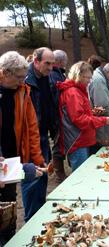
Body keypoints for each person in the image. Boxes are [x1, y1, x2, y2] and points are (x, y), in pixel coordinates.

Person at [0, 51, 46, 243]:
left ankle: (8, 238)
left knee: (9, 208)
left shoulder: (23, 91)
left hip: (11, 162)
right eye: (18, 77)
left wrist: (37, 159)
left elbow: (32, 129)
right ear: (5, 73)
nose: (22, 81)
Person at [57, 61, 109, 171]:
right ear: (78, 75)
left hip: (82, 140)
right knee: (81, 175)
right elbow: (79, 120)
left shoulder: (78, 90)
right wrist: (103, 120)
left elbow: (79, 114)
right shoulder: (73, 93)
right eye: (87, 78)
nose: (89, 81)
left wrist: (92, 112)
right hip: (78, 141)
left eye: (90, 78)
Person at [25, 47, 58, 221]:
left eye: (53, 64)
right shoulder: (26, 80)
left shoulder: (49, 77)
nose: (51, 67)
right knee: (32, 180)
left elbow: (51, 105)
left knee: (43, 176)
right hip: (30, 137)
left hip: (44, 134)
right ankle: (31, 219)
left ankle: (38, 218)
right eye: (47, 63)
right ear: (36, 61)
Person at [50, 49, 68, 183]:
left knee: (59, 143)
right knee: (58, 143)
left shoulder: (58, 74)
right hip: (56, 115)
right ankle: (59, 173)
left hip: (58, 114)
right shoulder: (54, 75)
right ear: (61, 61)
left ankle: (59, 172)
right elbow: (56, 98)